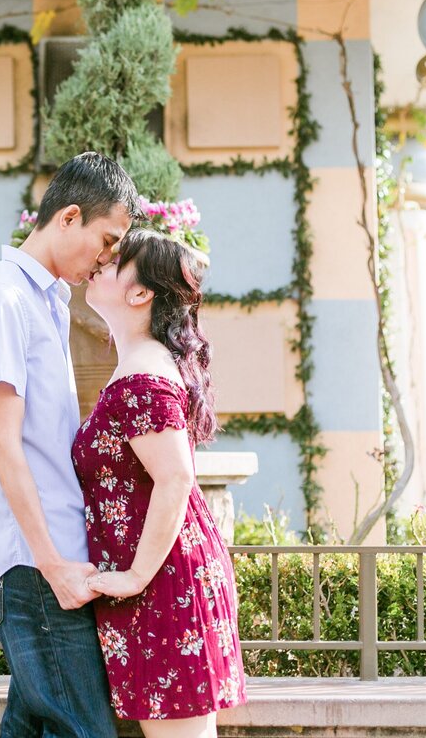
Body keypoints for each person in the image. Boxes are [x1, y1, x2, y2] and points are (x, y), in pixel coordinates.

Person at [0, 152, 141, 737]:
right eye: (106, 239)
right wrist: (53, 563)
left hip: (48, 560)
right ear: (68, 217)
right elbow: (4, 445)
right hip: (33, 565)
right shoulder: (4, 300)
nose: (108, 257)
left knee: (36, 727)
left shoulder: (47, 300)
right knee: (85, 730)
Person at [74, 228, 246, 737]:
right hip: (164, 578)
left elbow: (174, 480)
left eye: (113, 262)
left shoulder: (142, 376)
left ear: (140, 292)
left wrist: (133, 579)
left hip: (163, 583)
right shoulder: (138, 366)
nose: (98, 264)